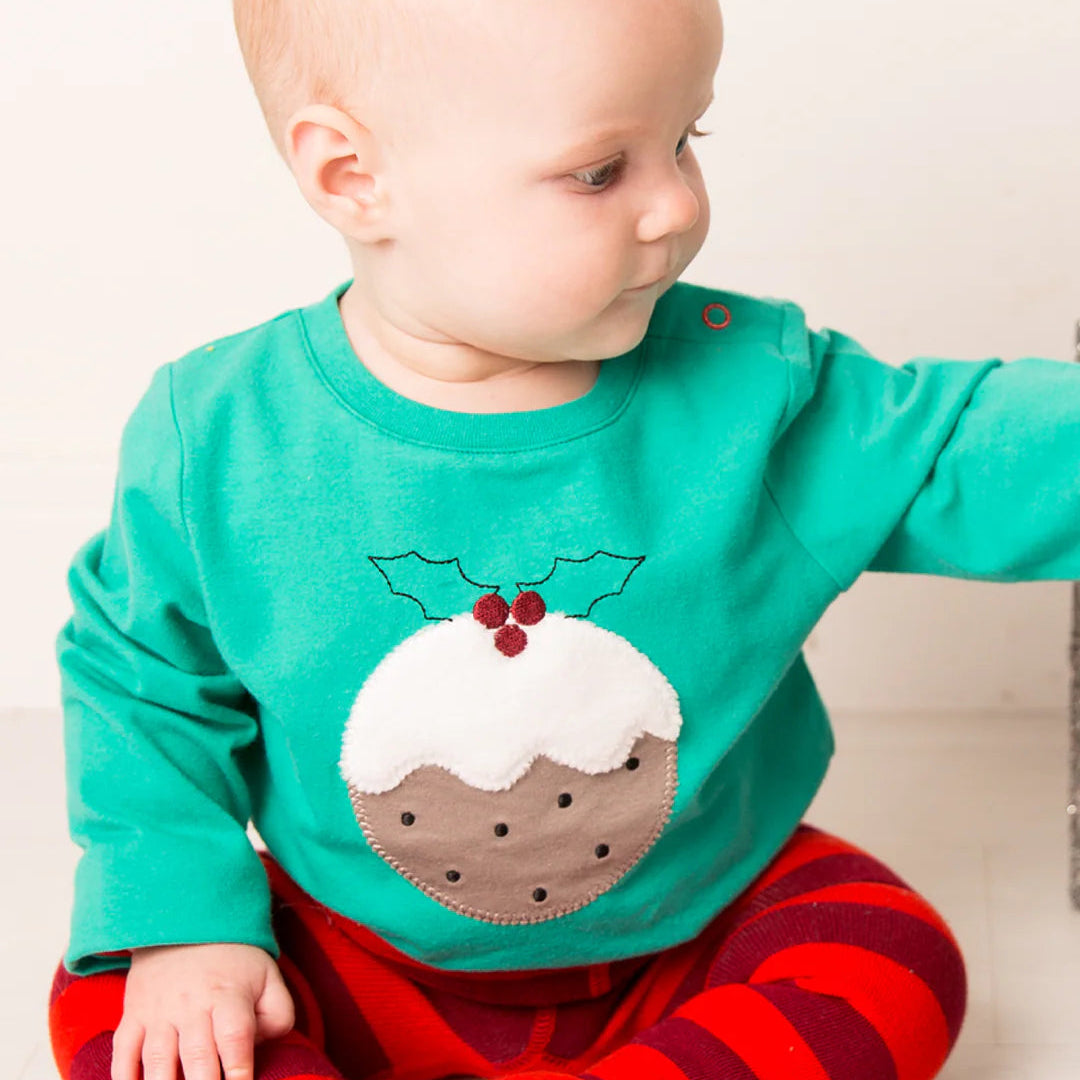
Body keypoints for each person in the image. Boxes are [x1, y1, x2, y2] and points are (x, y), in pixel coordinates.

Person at [45, 1, 1080, 1078]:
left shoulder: (751, 400)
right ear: (354, 176)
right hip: (359, 948)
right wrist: (187, 925)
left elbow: (964, 449)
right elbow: (143, 685)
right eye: (600, 172)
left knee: (889, 956)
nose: (676, 204)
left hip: (702, 935)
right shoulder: (220, 436)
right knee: (126, 995)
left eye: (687, 140)